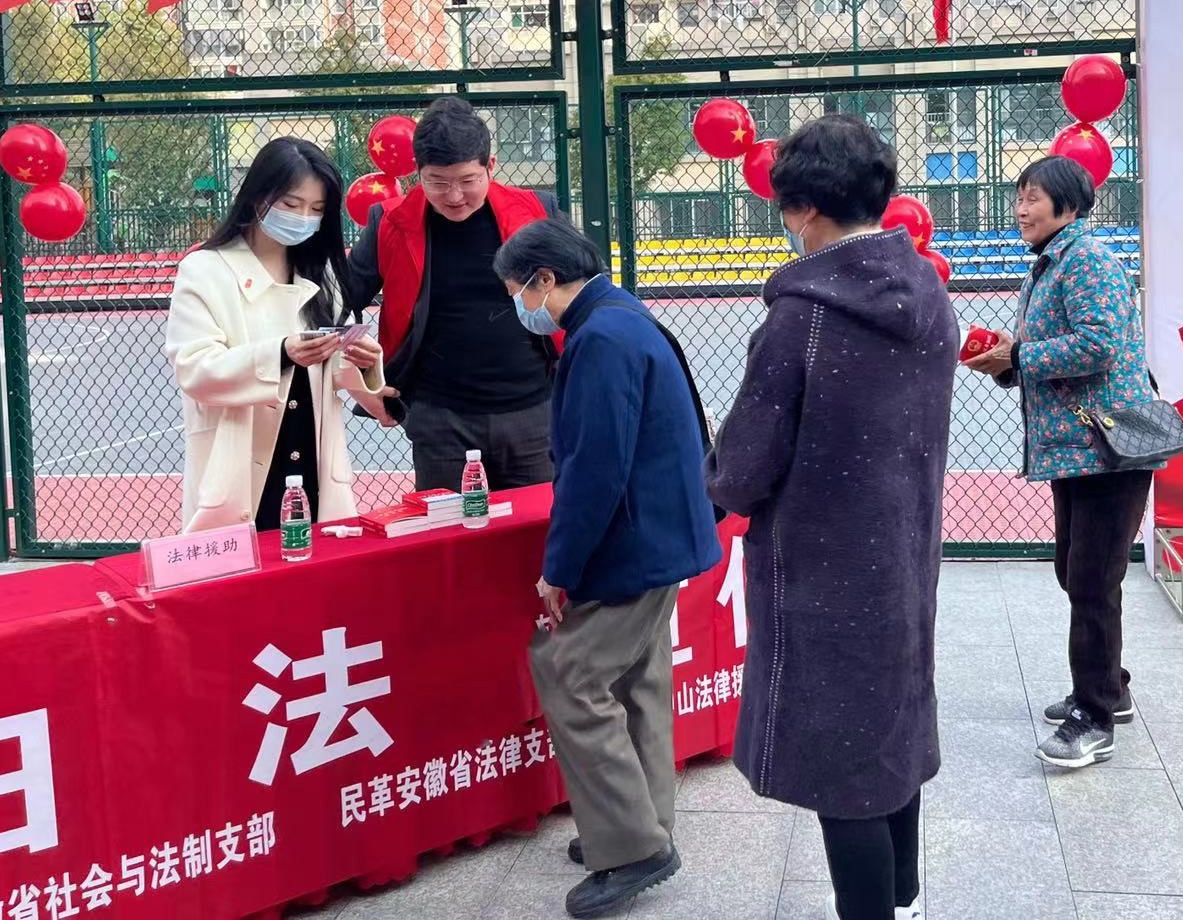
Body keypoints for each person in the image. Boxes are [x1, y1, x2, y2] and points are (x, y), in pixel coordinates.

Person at [706, 113, 956, 920]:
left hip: (821, 566)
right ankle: (904, 893)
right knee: (889, 731)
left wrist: (710, 481)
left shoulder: (802, 316)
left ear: (805, 207)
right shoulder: (930, 294)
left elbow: (744, 466)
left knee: (840, 765)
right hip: (905, 551)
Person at [493, 217, 720, 919]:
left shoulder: (599, 340)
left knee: (569, 671)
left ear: (545, 280)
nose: (520, 307)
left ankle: (633, 847)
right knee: (637, 678)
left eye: (517, 292)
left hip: (634, 541)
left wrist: (559, 568)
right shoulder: (624, 314)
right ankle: (639, 824)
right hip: (662, 534)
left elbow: (594, 468)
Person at [962, 155, 1157, 771]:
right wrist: (1008, 359)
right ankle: (1111, 687)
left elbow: (1100, 344)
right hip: (1078, 447)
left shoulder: (1086, 259)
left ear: (1069, 205)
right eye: (1019, 197)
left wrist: (1019, 356)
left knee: (1091, 580)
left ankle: (1094, 716)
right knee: (1078, 573)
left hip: (1108, 448)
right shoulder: (1052, 263)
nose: (1021, 209)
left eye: (1034, 198)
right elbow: (1051, 351)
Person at [166, 138, 392, 533]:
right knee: (241, 563)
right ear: (258, 197)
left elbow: (332, 370)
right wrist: (281, 353)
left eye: (317, 210)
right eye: (291, 204)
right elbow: (195, 369)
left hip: (312, 460)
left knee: (317, 560)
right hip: (242, 465)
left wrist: (363, 361)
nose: (304, 218)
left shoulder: (321, 275)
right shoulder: (205, 271)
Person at [345, 95, 564, 494]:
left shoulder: (536, 211)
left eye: (467, 181)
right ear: (418, 172)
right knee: (448, 531)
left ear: (490, 166)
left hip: (534, 412)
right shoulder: (391, 223)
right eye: (438, 182)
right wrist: (358, 383)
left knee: (540, 527)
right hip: (439, 419)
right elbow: (333, 303)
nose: (455, 196)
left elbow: (585, 291)